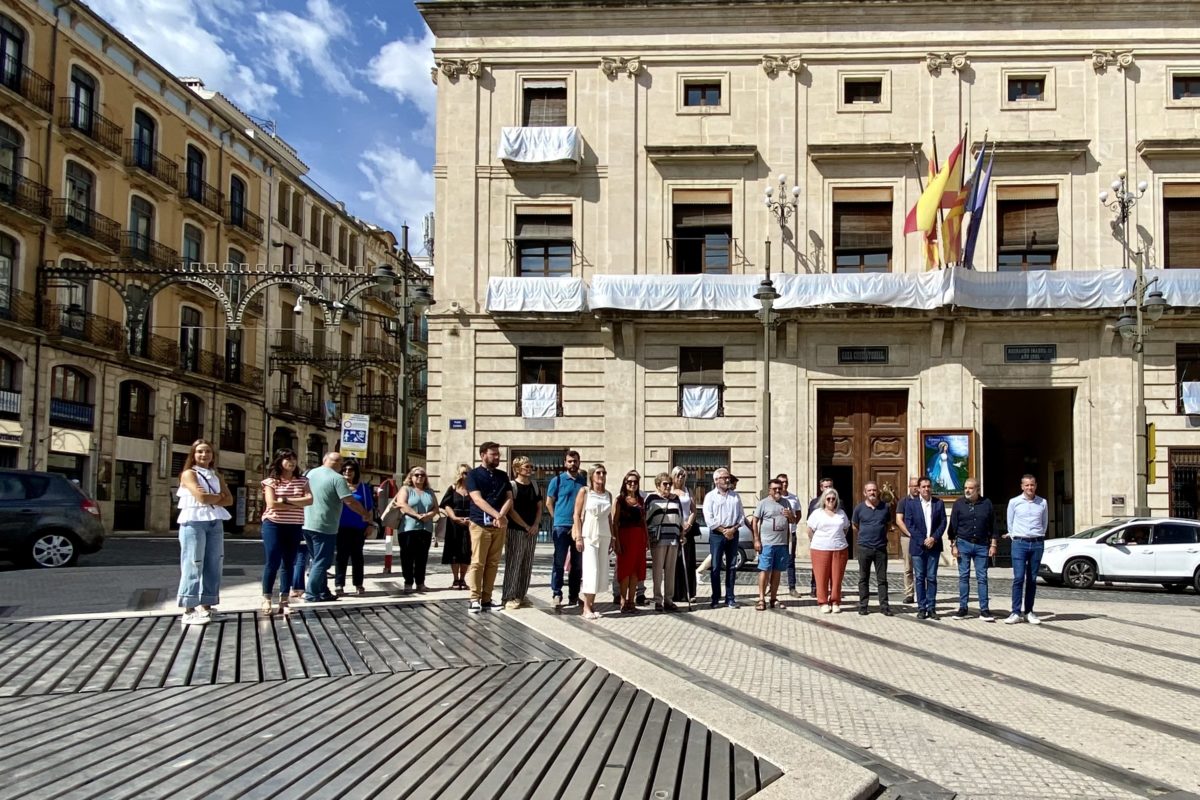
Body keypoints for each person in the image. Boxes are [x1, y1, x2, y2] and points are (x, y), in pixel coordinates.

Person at [176, 439, 233, 626]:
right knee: (193, 562)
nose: (204, 455)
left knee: (214, 563)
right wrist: (218, 498)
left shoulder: (217, 475)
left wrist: (213, 498)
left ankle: (207, 605)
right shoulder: (188, 474)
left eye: (207, 451)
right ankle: (188, 608)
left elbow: (229, 500)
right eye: (200, 451)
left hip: (215, 521)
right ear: (193, 454)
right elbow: (200, 497)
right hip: (193, 522)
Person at [303, 452, 372, 603]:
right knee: (322, 561)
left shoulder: (310, 473)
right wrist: (365, 514)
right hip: (325, 525)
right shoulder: (337, 478)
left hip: (307, 524)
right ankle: (311, 593)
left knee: (316, 559)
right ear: (339, 464)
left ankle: (323, 591)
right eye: (341, 464)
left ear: (324, 460)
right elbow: (349, 501)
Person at [259, 448, 311, 616]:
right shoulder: (270, 482)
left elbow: (309, 500)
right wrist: (297, 502)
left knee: (289, 563)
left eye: (293, 458)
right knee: (272, 561)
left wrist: (286, 500)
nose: (291, 462)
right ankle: (267, 598)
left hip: (294, 525)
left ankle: (284, 600)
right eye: (287, 459)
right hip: (273, 524)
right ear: (279, 461)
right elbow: (272, 504)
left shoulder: (303, 481)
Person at [465, 441, 512, 613]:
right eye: (493, 454)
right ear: (483, 455)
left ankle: (487, 598)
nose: (497, 457)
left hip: (499, 525)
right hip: (480, 523)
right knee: (478, 562)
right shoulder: (473, 475)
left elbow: (509, 498)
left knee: (493, 562)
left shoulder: (502, 475)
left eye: (498, 454)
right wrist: (497, 515)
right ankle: (474, 598)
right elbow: (477, 499)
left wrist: (502, 515)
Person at [949, 478, 998, 621]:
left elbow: (993, 526)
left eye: (970, 488)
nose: (967, 491)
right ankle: (963, 608)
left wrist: (993, 544)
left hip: (982, 545)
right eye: (965, 488)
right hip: (963, 543)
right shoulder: (958, 504)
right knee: (963, 576)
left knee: (982, 577)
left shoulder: (986, 503)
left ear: (977, 489)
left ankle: (984, 610)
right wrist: (953, 546)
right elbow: (952, 527)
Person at [1004, 474, 1048, 625]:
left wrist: (1038, 536)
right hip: (1019, 543)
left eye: (1032, 485)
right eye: (1027, 485)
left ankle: (1029, 611)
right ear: (1022, 486)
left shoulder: (1043, 502)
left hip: (1036, 543)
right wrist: (1015, 537)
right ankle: (1015, 611)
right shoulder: (1014, 502)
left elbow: (1044, 522)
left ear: (1036, 485)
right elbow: (1010, 522)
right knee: (1018, 578)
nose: (1030, 488)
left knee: (1032, 579)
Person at [546, 450, 586, 607]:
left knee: (577, 564)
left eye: (575, 461)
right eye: (570, 461)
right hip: (561, 527)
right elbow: (549, 502)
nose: (573, 464)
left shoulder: (583, 481)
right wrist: (556, 518)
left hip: (578, 528)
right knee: (559, 561)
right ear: (565, 463)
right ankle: (557, 593)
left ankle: (574, 595)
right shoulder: (557, 480)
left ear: (579, 462)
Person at [902, 477, 946, 620]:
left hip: (934, 546)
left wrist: (933, 538)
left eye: (928, 486)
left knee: (932, 577)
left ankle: (932, 608)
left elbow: (943, 523)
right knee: (920, 578)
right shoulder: (911, 504)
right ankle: (922, 608)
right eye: (923, 486)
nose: (926, 489)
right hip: (918, 547)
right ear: (919, 489)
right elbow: (909, 523)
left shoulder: (939, 503)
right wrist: (922, 540)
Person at [502, 456, 542, 609]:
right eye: (527, 467)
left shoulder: (534, 485)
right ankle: (508, 596)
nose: (530, 469)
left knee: (527, 562)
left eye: (531, 466)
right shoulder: (512, 486)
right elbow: (511, 510)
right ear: (517, 469)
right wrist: (525, 526)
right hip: (516, 529)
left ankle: (521, 594)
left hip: (532, 530)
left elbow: (539, 506)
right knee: (514, 562)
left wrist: (536, 524)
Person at [573, 464, 612, 620]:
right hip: (589, 534)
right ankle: (586, 608)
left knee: (601, 571)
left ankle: (592, 605)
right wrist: (578, 537)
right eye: (598, 472)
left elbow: (609, 517)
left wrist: (612, 538)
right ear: (591, 475)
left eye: (603, 472)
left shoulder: (608, 494)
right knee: (591, 570)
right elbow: (576, 515)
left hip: (604, 534)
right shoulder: (585, 492)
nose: (601, 475)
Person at [751, 478, 795, 610]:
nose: (777, 490)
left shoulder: (786, 502)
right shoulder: (763, 503)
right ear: (769, 490)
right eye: (774, 488)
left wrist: (790, 516)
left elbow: (793, 521)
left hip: (782, 543)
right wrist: (756, 539)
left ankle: (773, 598)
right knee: (765, 570)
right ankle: (761, 598)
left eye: (779, 488)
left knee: (777, 572)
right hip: (767, 543)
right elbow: (754, 522)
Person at [850, 482, 893, 616]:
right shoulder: (859, 508)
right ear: (865, 493)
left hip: (880, 548)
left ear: (878, 492)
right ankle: (863, 606)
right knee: (863, 578)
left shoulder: (885, 507)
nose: (872, 493)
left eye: (874, 490)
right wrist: (864, 536)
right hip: (864, 548)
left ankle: (884, 606)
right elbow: (855, 525)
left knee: (882, 579)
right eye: (869, 490)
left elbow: (888, 525)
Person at [703, 468, 744, 608]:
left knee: (731, 566)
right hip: (717, 534)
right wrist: (723, 531)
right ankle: (715, 598)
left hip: (733, 532)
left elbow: (741, 516)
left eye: (728, 477)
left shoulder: (735, 496)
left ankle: (730, 597)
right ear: (716, 480)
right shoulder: (710, 496)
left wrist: (733, 529)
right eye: (724, 477)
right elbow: (709, 518)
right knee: (715, 566)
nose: (727, 480)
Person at [334, 459, 374, 598]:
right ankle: (339, 584)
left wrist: (370, 524)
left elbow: (369, 509)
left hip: (358, 528)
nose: (347, 472)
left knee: (357, 556)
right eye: (344, 469)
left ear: (356, 472)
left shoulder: (364, 488)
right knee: (341, 556)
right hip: (341, 527)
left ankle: (358, 583)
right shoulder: (338, 486)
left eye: (350, 470)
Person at [807, 487, 850, 613]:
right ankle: (823, 602)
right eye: (828, 499)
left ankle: (835, 601)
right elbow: (810, 530)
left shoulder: (841, 513)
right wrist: (817, 541)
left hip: (839, 549)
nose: (831, 501)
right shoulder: (817, 513)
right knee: (821, 577)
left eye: (833, 499)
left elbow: (846, 528)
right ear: (824, 500)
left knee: (837, 577)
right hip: (820, 549)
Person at [612, 470, 649, 613]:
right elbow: (615, 523)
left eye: (635, 482)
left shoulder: (640, 500)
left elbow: (643, 521)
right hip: (625, 537)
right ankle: (622, 601)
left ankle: (631, 601)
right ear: (625, 483)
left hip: (638, 538)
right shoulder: (620, 500)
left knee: (635, 571)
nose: (632, 484)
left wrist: (646, 539)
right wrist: (616, 541)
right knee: (625, 571)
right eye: (629, 482)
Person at [645, 473, 682, 612]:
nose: (668, 486)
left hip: (673, 538)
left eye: (669, 484)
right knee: (657, 571)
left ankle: (669, 599)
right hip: (658, 539)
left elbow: (680, 517)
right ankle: (657, 599)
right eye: (665, 484)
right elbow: (646, 519)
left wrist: (682, 533)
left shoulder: (676, 499)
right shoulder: (651, 499)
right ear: (658, 485)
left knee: (671, 571)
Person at [398, 466, 438, 592]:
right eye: (416, 475)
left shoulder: (429, 491)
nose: (419, 477)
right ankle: (408, 582)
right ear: (411, 476)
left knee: (422, 557)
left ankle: (420, 583)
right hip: (408, 528)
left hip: (426, 528)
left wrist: (429, 515)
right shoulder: (406, 489)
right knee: (407, 557)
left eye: (422, 475)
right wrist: (416, 516)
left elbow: (436, 508)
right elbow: (402, 505)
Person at [439, 463, 474, 589]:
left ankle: (463, 579)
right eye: (464, 473)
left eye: (469, 473)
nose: (467, 475)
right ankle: (455, 579)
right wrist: (453, 517)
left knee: (466, 551)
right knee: (454, 551)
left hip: (469, 522)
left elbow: (478, 504)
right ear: (459, 474)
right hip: (454, 523)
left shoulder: (473, 489)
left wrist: (471, 518)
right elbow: (446, 504)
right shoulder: (452, 488)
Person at [670, 466, 699, 604]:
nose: (680, 478)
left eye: (682, 475)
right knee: (674, 563)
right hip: (673, 529)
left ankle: (689, 592)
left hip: (687, 529)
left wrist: (689, 524)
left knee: (688, 561)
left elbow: (693, 510)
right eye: (677, 475)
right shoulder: (669, 490)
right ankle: (674, 593)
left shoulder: (688, 491)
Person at [805, 477, 837, 596]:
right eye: (825, 486)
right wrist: (813, 539)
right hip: (818, 540)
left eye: (830, 486)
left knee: (832, 568)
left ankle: (831, 590)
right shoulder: (814, 503)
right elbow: (809, 524)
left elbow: (844, 524)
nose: (828, 489)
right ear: (821, 488)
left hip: (833, 541)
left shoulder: (838, 502)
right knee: (817, 565)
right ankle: (815, 587)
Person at [892, 476, 920, 604]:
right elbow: (899, 520)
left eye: (917, 486)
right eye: (913, 486)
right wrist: (910, 533)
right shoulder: (903, 501)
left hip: (921, 538)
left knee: (921, 567)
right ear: (909, 487)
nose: (915, 488)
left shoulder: (923, 501)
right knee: (908, 567)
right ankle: (909, 593)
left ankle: (922, 593)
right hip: (907, 538)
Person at [776, 474, 802, 598]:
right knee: (774, 561)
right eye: (781, 482)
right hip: (776, 535)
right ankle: (771, 587)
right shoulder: (773, 498)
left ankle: (792, 587)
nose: (784, 484)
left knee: (790, 561)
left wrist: (793, 524)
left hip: (790, 534)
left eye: (786, 482)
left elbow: (799, 514)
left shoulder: (794, 498)